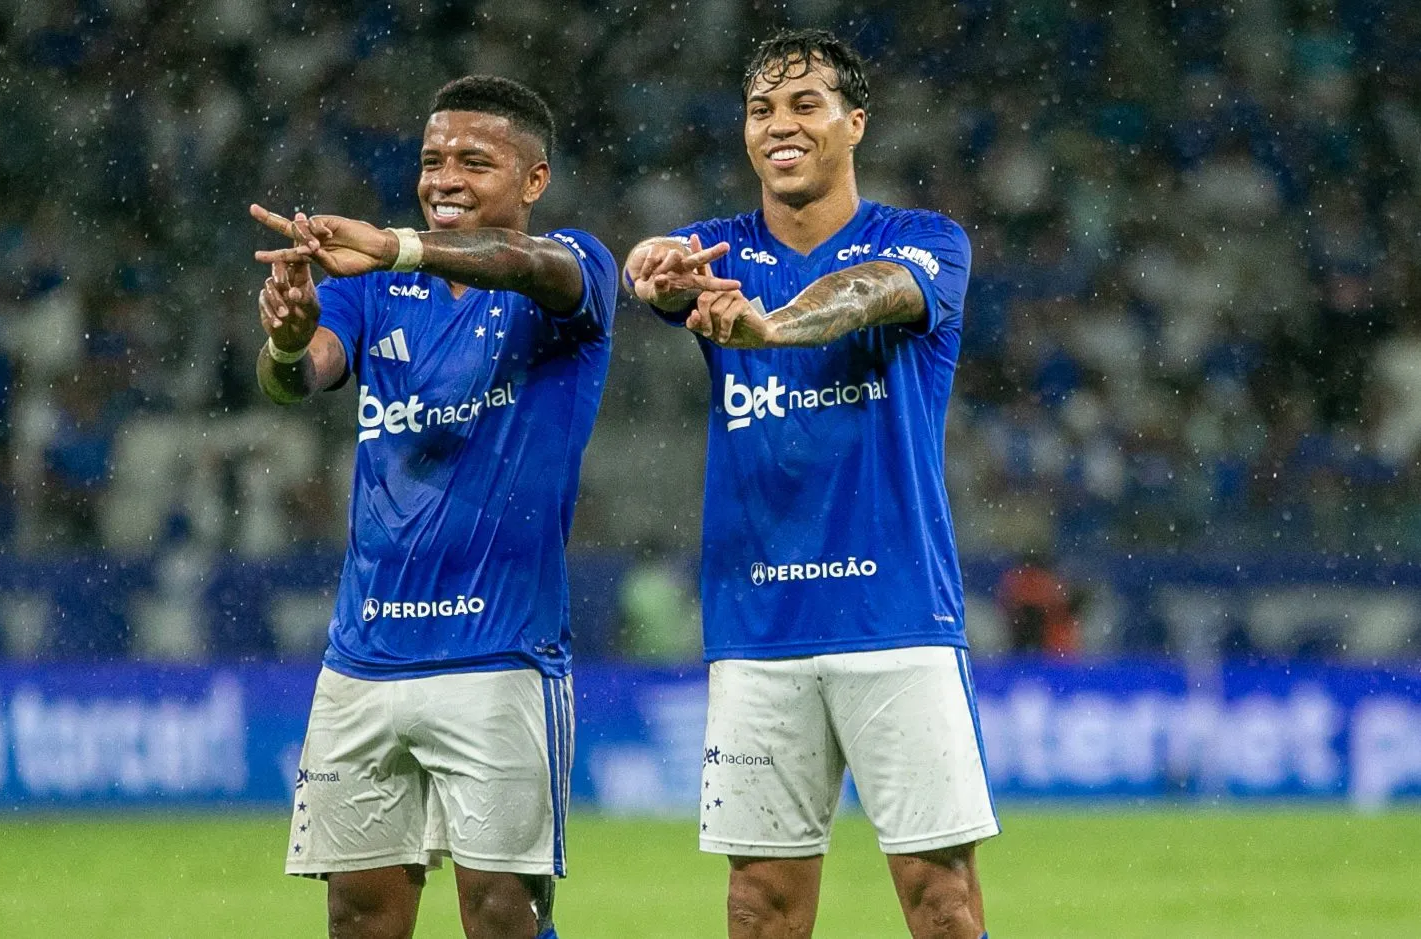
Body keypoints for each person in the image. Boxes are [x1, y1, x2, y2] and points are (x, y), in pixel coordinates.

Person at [623, 29, 997, 939]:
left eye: (805, 104)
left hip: (898, 618)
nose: (779, 125)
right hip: (758, 629)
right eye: (760, 110)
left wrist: (773, 327)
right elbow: (663, 270)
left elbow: (870, 292)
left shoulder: (924, 242)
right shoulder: (718, 250)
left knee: (941, 901)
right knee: (760, 907)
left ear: (854, 123)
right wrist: (648, 270)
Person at [250, 75, 617, 939]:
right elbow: (294, 380)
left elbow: (531, 266)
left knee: (502, 916)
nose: (444, 177)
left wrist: (396, 246)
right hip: (363, 656)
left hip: (499, 654)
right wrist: (288, 335)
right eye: (431, 159)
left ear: (533, 181)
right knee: (358, 917)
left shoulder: (573, 267)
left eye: (473, 161)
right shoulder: (375, 287)